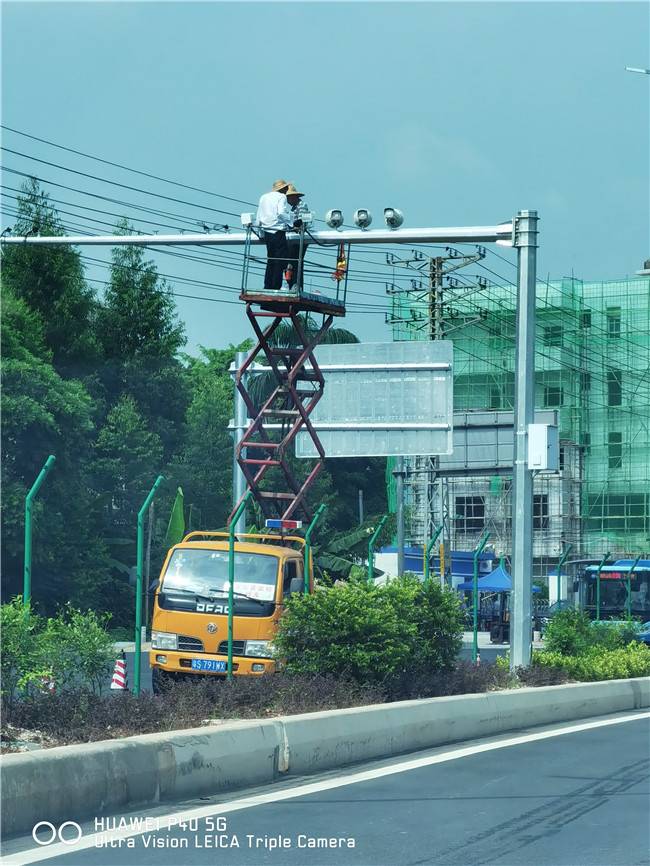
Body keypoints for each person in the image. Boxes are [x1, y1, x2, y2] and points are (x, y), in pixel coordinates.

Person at [255, 179, 295, 291]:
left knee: (270, 260)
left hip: (267, 232)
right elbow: (281, 212)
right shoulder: (281, 197)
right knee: (279, 260)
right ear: (282, 189)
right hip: (278, 231)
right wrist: (291, 224)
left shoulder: (263, 197)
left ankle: (267, 285)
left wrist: (261, 234)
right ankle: (276, 286)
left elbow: (258, 218)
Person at [284, 184, 309, 289]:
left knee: (297, 261)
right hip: (293, 238)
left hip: (299, 238)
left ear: (293, 197)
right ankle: (291, 284)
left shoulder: (302, 205)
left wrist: (292, 225)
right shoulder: (293, 208)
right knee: (291, 262)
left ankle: (297, 285)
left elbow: (301, 220)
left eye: (288, 198)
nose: (287, 201)